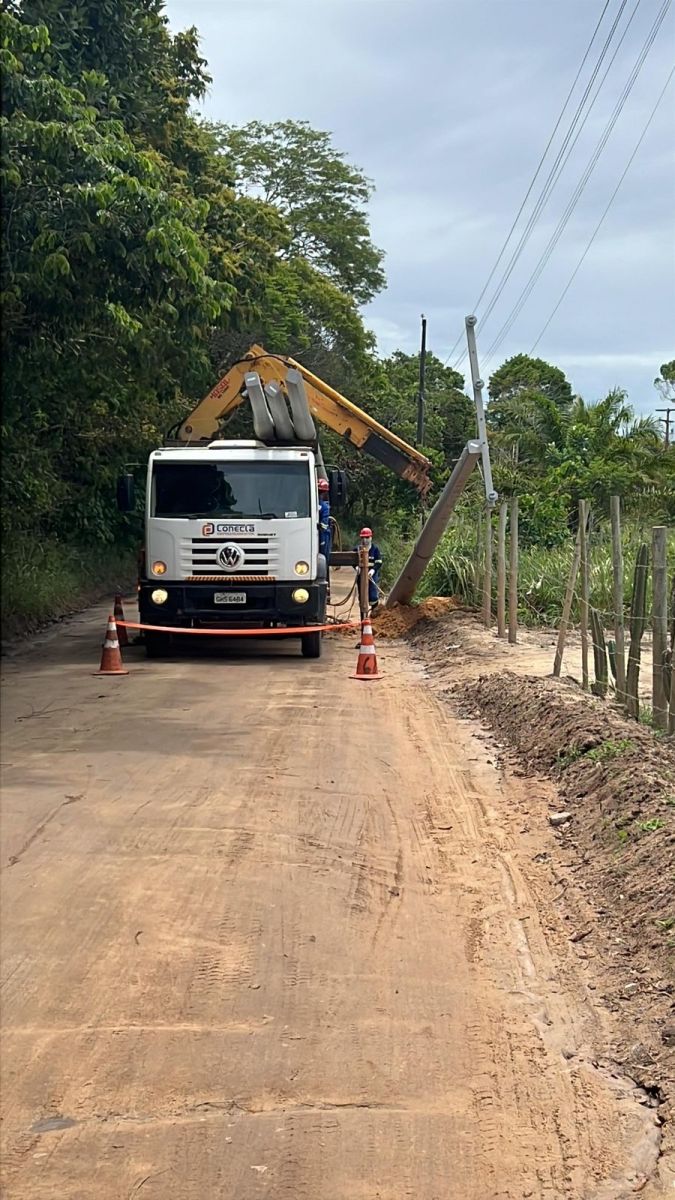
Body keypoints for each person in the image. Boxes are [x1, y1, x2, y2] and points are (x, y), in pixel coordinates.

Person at [355, 526, 383, 612]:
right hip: (361, 576)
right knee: (362, 597)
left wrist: (373, 570)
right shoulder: (357, 549)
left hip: (371, 576)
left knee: (373, 596)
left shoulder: (375, 549)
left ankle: (374, 614)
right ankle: (363, 617)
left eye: (367, 537)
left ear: (371, 537)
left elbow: (378, 562)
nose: (365, 540)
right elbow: (353, 560)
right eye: (363, 538)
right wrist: (356, 567)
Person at [318, 478, 331, 563]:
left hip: (323, 535)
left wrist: (319, 525)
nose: (321, 494)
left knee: (323, 559)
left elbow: (324, 525)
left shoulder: (324, 507)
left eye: (322, 493)